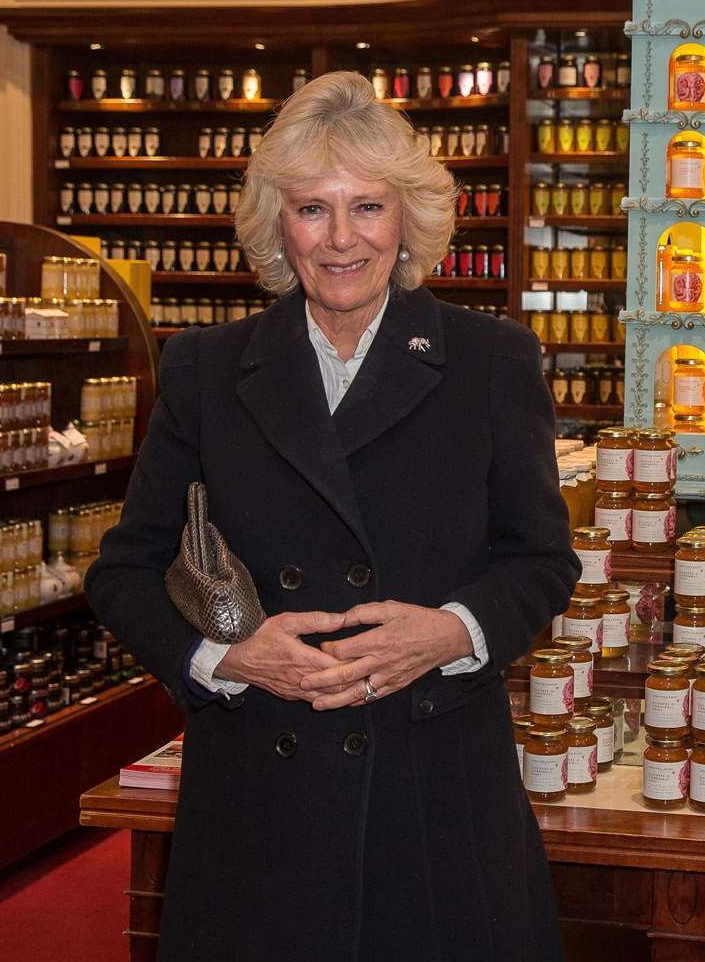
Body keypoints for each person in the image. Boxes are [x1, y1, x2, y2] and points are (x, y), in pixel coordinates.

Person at [86, 71, 578, 961]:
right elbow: (123, 571)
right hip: (259, 800)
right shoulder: (205, 369)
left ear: (408, 220)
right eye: (313, 209)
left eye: (368, 207)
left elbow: (541, 560)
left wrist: (450, 631)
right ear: (278, 225)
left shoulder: (491, 360)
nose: (342, 238)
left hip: (433, 788)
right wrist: (224, 657)